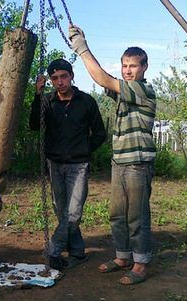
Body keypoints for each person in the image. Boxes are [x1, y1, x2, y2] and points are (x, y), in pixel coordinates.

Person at [69, 26, 156, 284]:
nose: (128, 70)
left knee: (136, 215)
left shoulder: (143, 90)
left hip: (138, 163)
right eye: (125, 66)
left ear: (144, 68)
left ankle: (140, 263)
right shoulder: (124, 93)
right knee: (117, 213)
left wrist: (82, 48)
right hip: (119, 162)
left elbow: (104, 80)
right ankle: (122, 256)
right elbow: (103, 78)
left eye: (134, 66)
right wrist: (84, 47)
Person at [29, 58, 107, 270]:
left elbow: (100, 133)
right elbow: (34, 125)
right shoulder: (47, 101)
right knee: (61, 210)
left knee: (73, 213)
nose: (60, 81)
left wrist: (84, 148)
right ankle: (78, 250)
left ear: (71, 76)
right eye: (55, 78)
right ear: (51, 81)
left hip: (78, 165)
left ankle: (53, 250)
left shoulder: (86, 101)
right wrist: (37, 94)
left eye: (64, 76)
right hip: (54, 163)